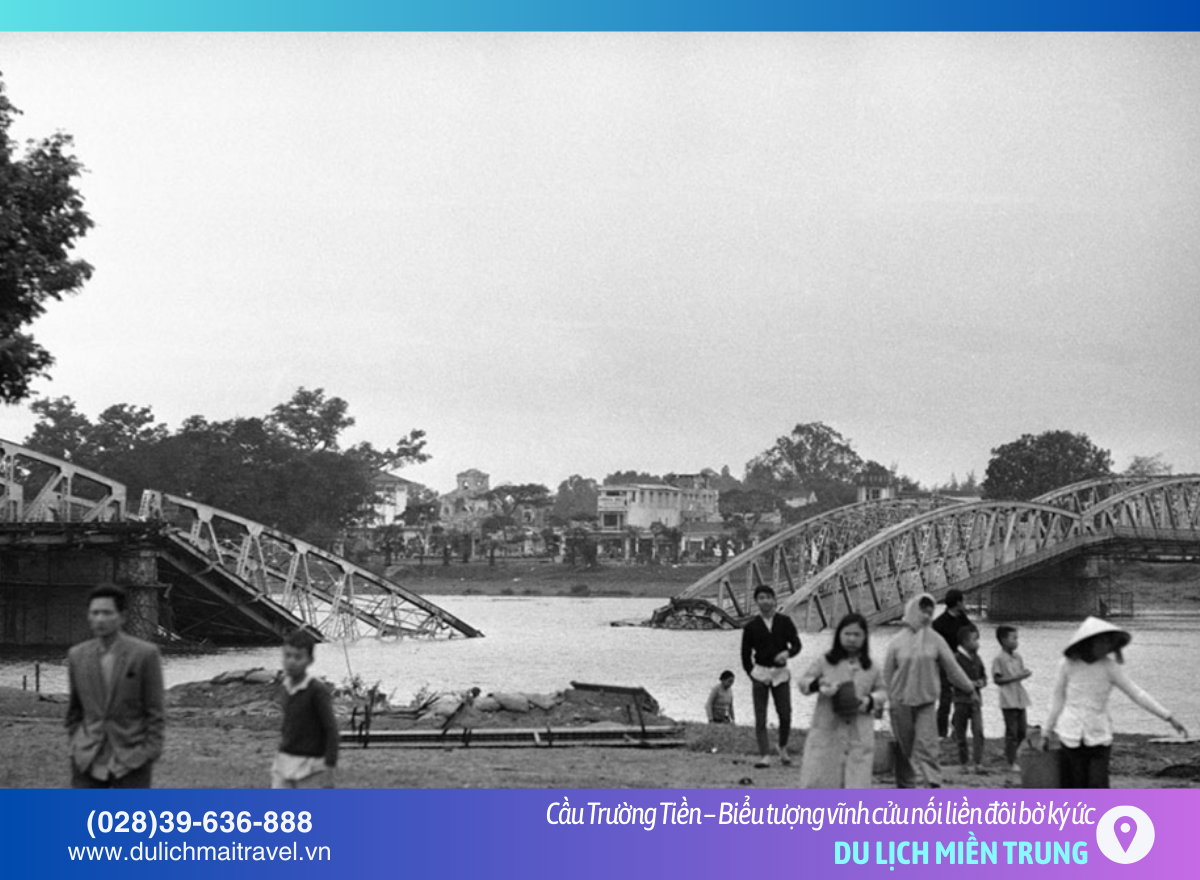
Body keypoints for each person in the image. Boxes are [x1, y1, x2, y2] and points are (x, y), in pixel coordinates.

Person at [1042, 616, 1187, 788]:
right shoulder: (1067, 665)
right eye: (1102, 641)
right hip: (1070, 734)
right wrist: (1046, 731)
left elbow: (1136, 693)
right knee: (1075, 787)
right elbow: (1057, 698)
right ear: (1090, 642)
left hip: (1099, 735)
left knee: (1098, 785)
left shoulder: (1109, 667)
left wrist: (1168, 717)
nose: (1107, 646)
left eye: (1108, 642)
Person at [65, 585, 165, 789]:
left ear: (122, 616)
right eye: (95, 613)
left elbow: (155, 710)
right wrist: (76, 743)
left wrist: (149, 752)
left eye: (107, 613)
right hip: (88, 757)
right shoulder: (77, 656)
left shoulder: (145, 654)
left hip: (132, 758)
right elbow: (75, 710)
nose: (100, 619)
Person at [883, 592, 976, 788]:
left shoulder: (935, 640)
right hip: (901, 701)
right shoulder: (896, 642)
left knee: (928, 743)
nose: (926, 616)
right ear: (913, 611)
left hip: (926, 701)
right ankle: (905, 786)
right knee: (904, 747)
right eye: (922, 611)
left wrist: (969, 689)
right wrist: (883, 700)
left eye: (929, 612)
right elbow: (887, 674)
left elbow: (953, 668)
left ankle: (932, 782)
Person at [797, 613, 887, 788]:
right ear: (839, 635)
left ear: (864, 638)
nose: (851, 639)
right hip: (828, 730)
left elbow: (883, 692)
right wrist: (819, 684)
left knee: (856, 785)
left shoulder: (871, 667)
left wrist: (868, 701)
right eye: (847, 634)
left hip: (858, 731)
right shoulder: (825, 662)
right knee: (822, 782)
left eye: (857, 634)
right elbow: (803, 683)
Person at [740, 586, 802, 768]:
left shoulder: (784, 622)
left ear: (774, 600)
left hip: (780, 674)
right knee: (761, 717)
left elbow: (797, 645)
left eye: (768, 597)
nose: (765, 601)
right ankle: (764, 755)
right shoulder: (751, 626)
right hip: (760, 673)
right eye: (761, 598)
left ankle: (782, 746)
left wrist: (787, 653)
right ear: (756, 601)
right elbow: (745, 654)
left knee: (785, 714)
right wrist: (751, 674)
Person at [272, 630, 339, 789]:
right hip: (285, 759)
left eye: (298, 657)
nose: (291, 662)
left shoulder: (316, 690)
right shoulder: (285, 687)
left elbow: (331, 729)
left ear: (310, 660)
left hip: (311, 764)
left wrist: (329, 765)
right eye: (287, 656)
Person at [992, 625, 1032, 771]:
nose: (1016, 641)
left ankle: (1017, 757)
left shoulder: (1017, 657)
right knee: (1012, 732)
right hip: (1008, 699)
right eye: (1013, 638)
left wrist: (1024, 674)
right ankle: (1011, 761)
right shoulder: (999, 659)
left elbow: (1020, 673)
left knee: (1022, 731)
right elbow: (997, 679)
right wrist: (1016, 677)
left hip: (1020, 697)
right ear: (1003, 640)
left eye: (1017, 638)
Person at [932, 589, 970, 738]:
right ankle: (941, 732)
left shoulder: (962, 619)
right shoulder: (939, 623)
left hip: (959, 662)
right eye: (964, 601)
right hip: (944, 663)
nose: (965, 604)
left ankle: (956, 728)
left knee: (963, 696)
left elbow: (972, 633)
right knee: (945, 698)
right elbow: (934, 646)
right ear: (958, 603)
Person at [951, 623, 987, 772]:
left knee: (978, 731)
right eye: (974, 640)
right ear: (965, 642)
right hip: (961, 700)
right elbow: (953, 678)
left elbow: (984, 676)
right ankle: (963, 762)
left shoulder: (977, 659)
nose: (977, 643)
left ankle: (978, 762)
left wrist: (982, 682)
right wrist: (969, 684)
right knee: (961, 733)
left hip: (976, 701)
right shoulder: (957, 659)